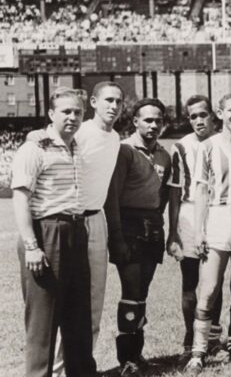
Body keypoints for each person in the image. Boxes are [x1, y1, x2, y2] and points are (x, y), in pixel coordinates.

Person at [30, 82, 124, 376]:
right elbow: (44, 137)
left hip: (95, 221)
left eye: (119, 101)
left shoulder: (116, 138)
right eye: (108, 100)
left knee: (89, 305)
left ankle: (81, 367)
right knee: (59, 304)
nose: (114, 106)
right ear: (93, 103)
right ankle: (57, 370)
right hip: (68, 221)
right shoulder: (80, 130)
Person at [12, 87, 97, 377]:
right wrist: (32, 245)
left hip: (75, 230)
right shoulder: (34, 148)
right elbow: (21, 198)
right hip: (47, 232)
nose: (73, 117)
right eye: (66, 111)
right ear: (51, 114)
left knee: (78, 317)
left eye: (78, 112)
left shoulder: (77, 146)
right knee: (43, 321)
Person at [185, 93, 231, 372]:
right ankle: (199, 350)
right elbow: (201, 191)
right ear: (220, 112)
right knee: (209, 288)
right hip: (217, 216)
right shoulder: (208, 147)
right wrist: (199, 230)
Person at [104, 98, 176, 376]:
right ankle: (127, 357)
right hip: (129, 224)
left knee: (142, 293)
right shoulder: (123, 150)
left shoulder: (163, 155)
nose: (154, 125)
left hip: (152, 225)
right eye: (148, 119)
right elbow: (112, 196)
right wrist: (117, 237)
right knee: (131, 292)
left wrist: (158, 223)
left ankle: (138, 353)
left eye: (158, 120)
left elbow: (164, 196)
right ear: (135, 121)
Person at [167, 95, 223, 360]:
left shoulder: (225, 141)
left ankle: (213, 337)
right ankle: (191, 337)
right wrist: (173, 231)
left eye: (203, 114)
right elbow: (175, 193)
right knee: (190, 280)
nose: (199, 120)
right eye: (193, 116)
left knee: (215, 280)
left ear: (213, 115)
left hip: (218, 212)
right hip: (190, 213)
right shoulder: (182, 146)